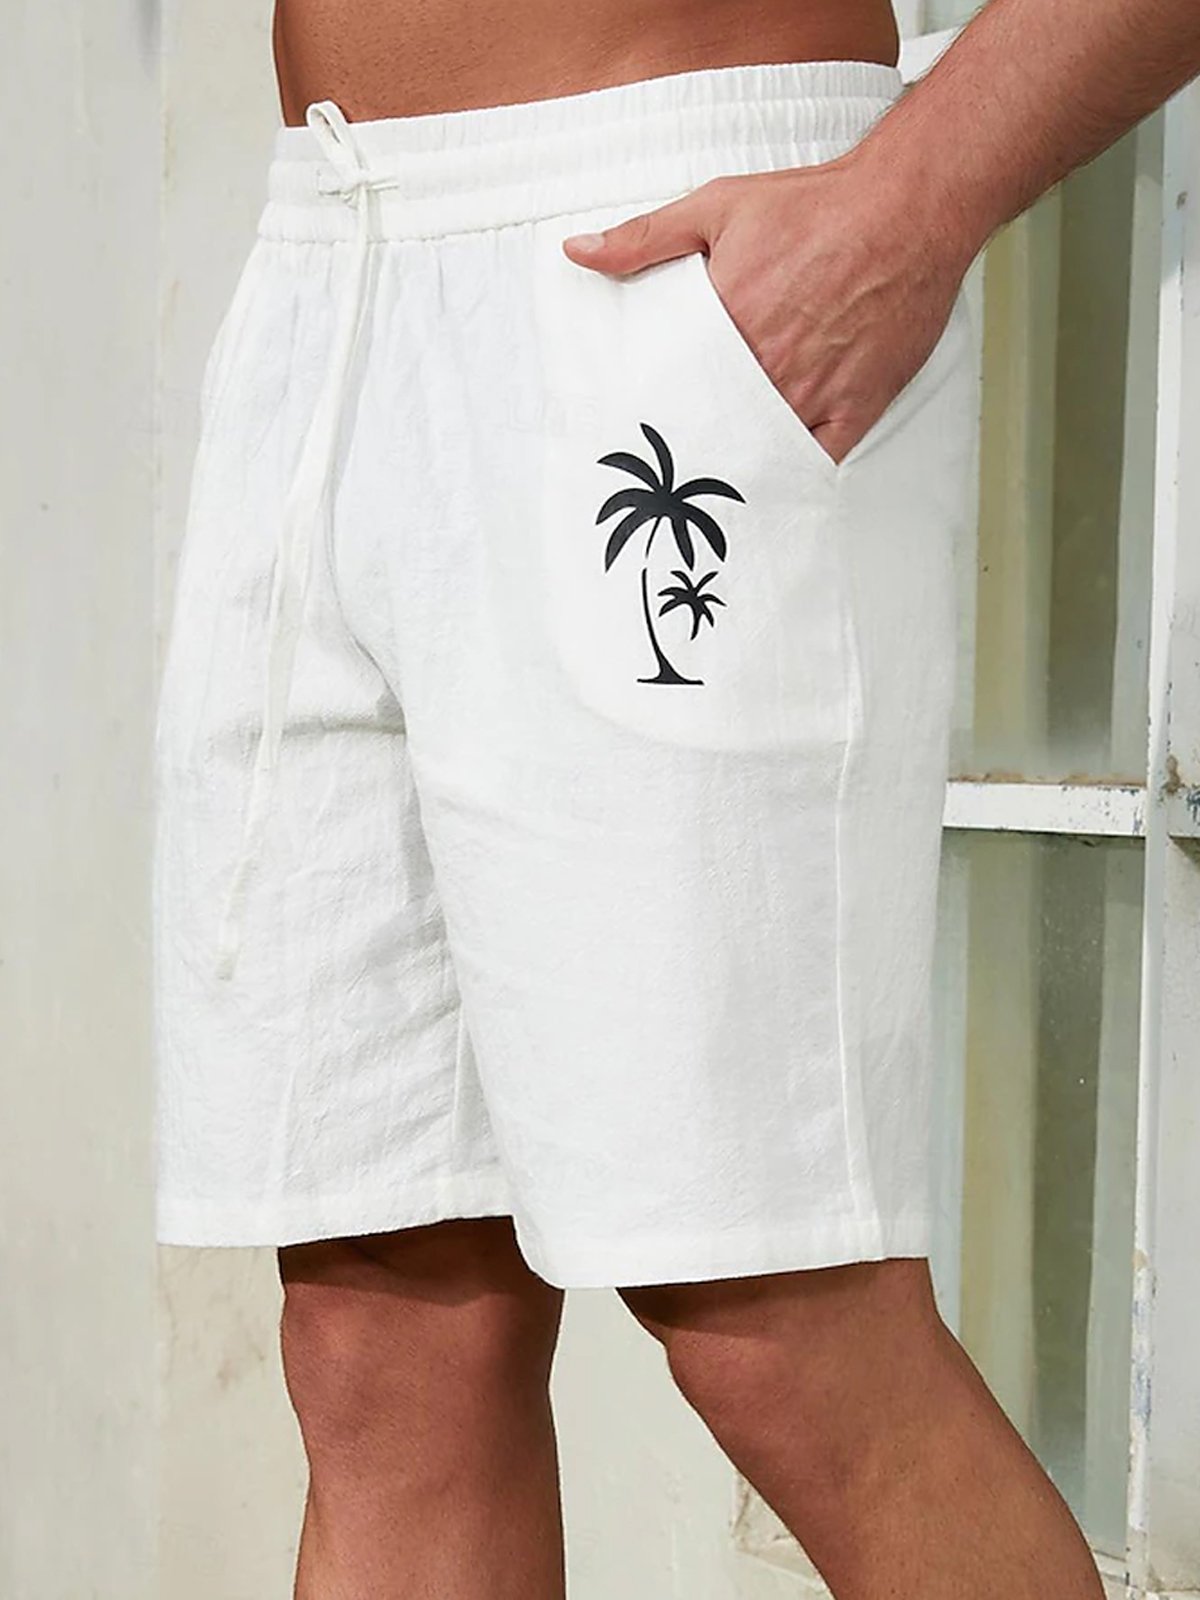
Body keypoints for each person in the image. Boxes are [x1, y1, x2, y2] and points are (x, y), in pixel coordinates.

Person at [152, 0, 1200, 1594]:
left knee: (780, 1329)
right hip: (330, 269)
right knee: (379, 1341)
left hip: (662, 253)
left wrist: (917, 195)